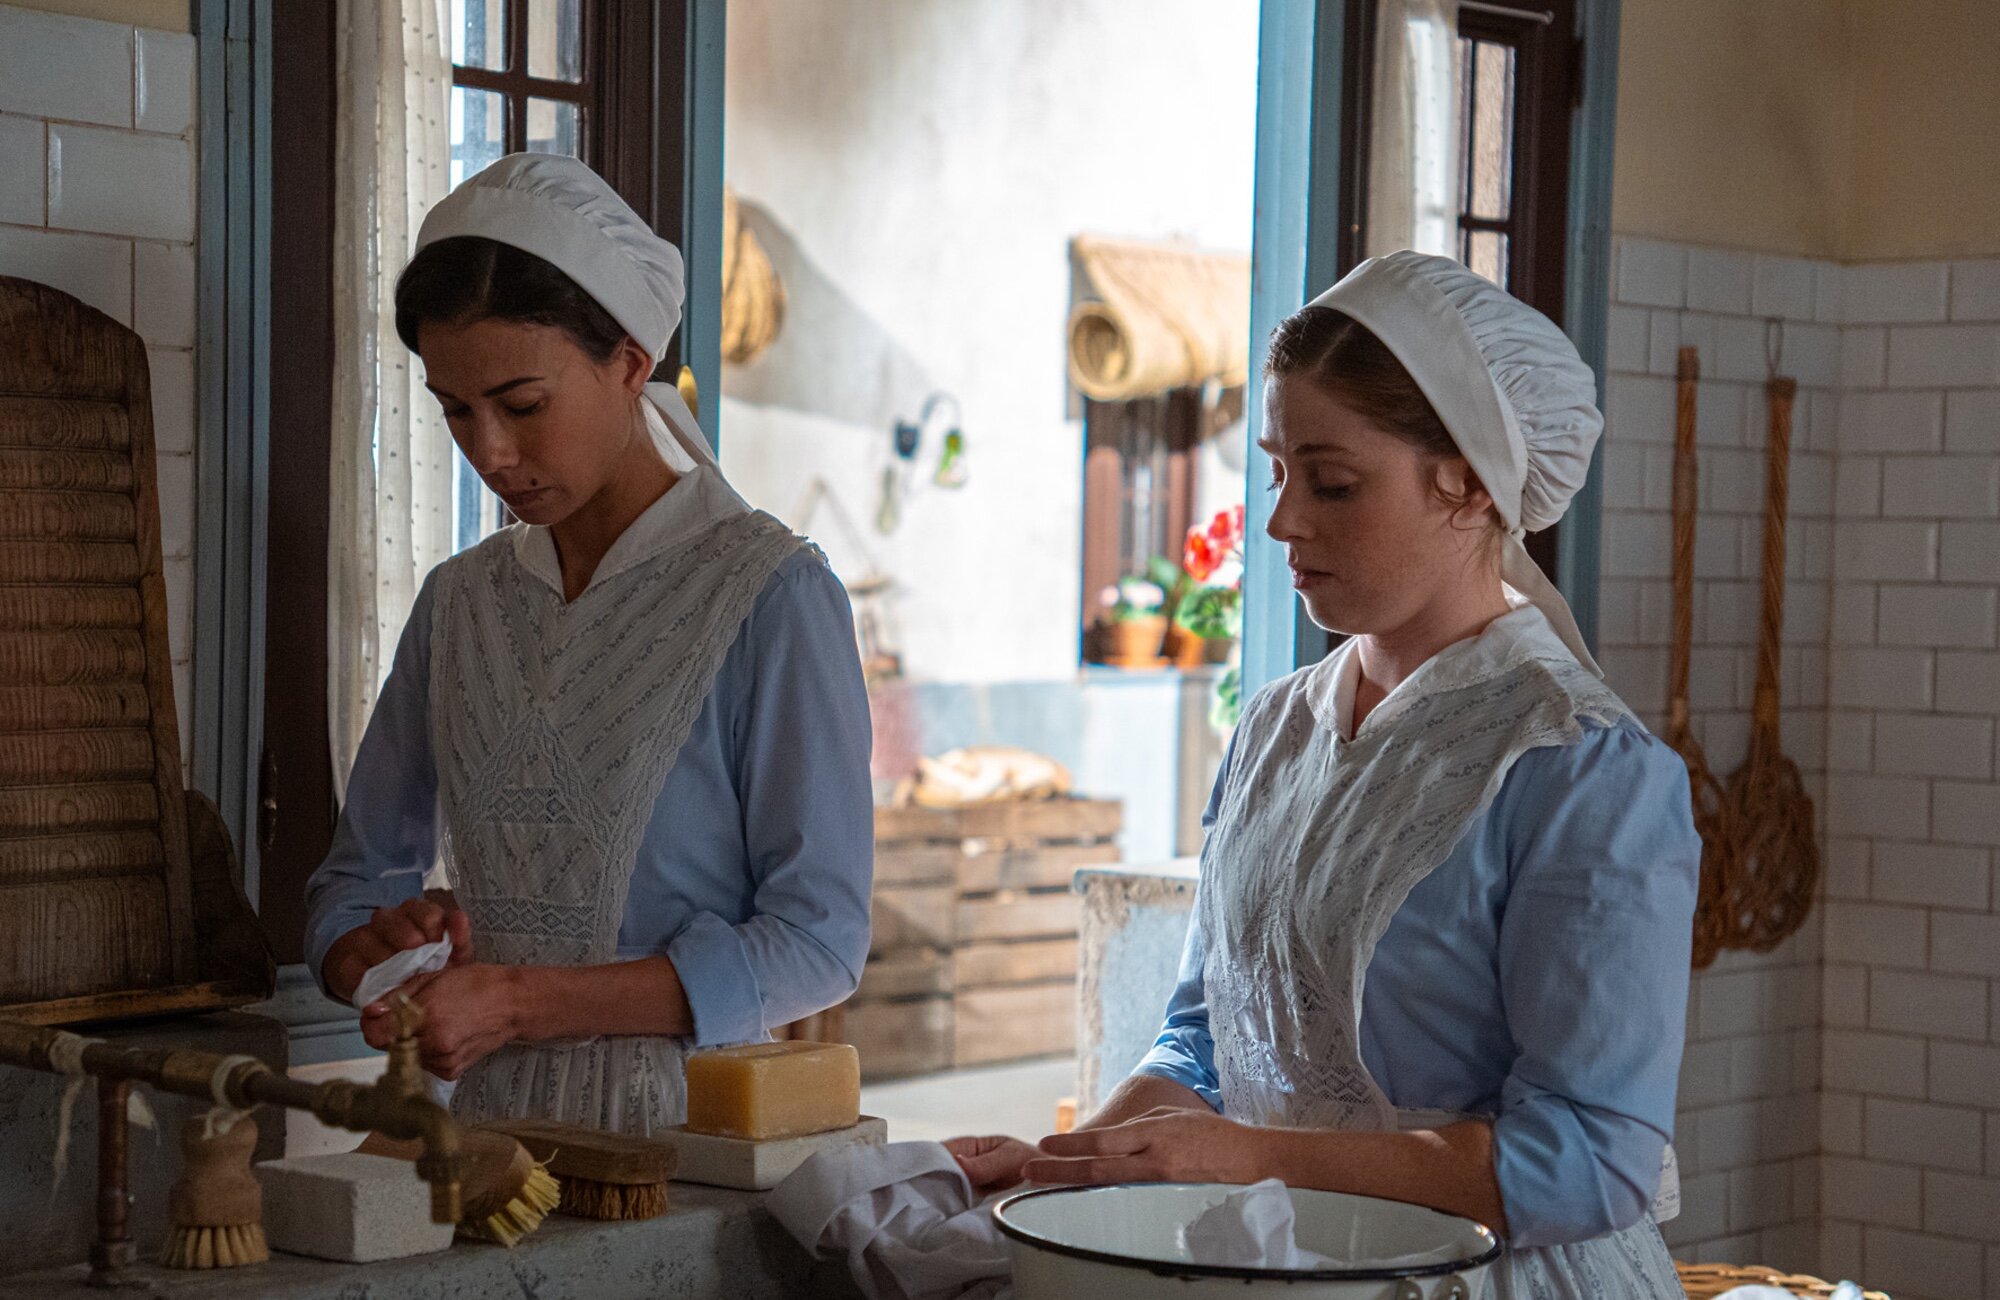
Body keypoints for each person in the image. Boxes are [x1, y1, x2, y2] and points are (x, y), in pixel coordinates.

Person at [951, 252, 1699, 1295]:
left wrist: (1259, 1157)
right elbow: (1202, 1040)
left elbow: (1589, 1157)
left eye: (1331, 481)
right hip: (1287, 1269)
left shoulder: (1578, 768)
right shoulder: (1271, 730)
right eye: (1274, 471)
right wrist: (1045, 1172)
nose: (1281, 521)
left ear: (1470, 484)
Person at [303, 154, 873, 1135]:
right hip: (466, 1148)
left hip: (686, 1155)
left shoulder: (768, 596)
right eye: (456, 411)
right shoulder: (460, 605)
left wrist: (521, 1003)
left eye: (522, 405)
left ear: (630, 362)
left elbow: (816, 940)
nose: (490, 452)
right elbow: (353, 880)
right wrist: (373, 955)